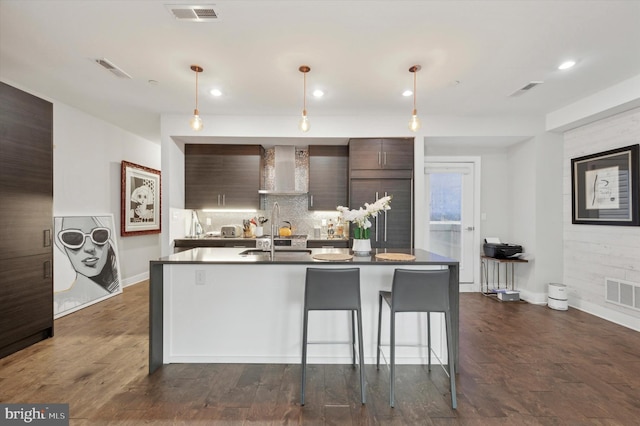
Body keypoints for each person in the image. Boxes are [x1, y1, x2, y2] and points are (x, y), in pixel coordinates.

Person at [54, 216, 120, 315]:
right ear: (62, 247)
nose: (89, 248)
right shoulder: (59, 306)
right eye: (73, 238)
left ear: (108, 242)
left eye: (99, 236)